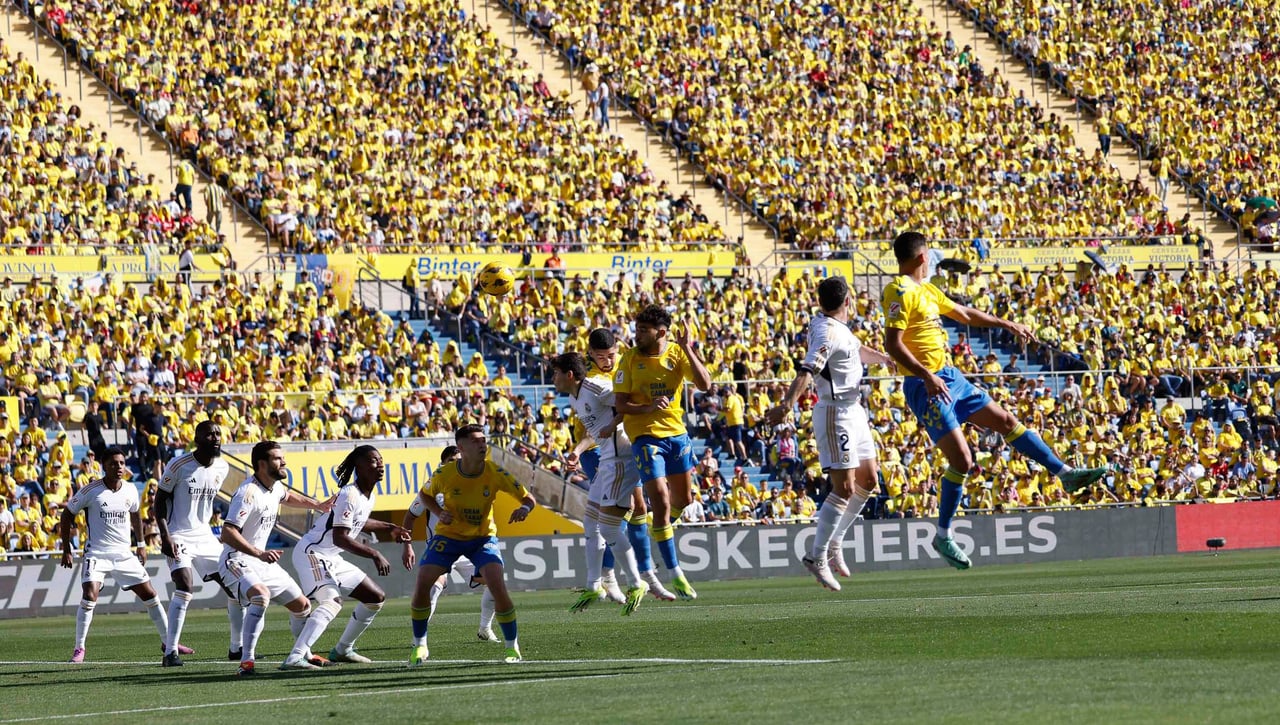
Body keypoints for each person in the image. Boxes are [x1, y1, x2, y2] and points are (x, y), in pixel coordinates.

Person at [881, 231, 1110, 569]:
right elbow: (892, 343)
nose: (930, 261)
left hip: (949, 377)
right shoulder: (898, 290)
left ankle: (1064, 473)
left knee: (1006, 421)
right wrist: (927, 378)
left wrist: (1008, 323)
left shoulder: (927, 291)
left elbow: (966, 314)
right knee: (963, 460)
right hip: (924, 383)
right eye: (929, 255)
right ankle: (943, 534)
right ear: (921, 258)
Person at [767, 276, 895, 590]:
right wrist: (786, 405)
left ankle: (835, 543)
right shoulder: (825, 331)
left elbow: (855, 350)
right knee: (845, 487)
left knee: (869, 481)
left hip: (855, 410)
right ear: (847, 301)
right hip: (835, 411)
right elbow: (808, 370)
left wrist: (884, 358)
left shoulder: (839, 328)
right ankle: (816, 556)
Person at [406, 425, 537, 666]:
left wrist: (524, 508)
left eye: (483, 440)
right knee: (423, 582)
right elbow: (424, 495)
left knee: (497, 585)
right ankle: (420, 645)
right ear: (462, 447)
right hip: (448, 537)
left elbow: (529, 498)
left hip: (482, 538)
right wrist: (438, 511)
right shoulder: (445, 473)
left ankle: (512, 647)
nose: (482, 444)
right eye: (475, 441)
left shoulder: (495, 472)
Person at [614, 305, 712, 599]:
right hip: (645, 437)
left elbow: (705, 384)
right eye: (637, 328)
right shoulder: (629, 359)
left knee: (682, 500)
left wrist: (688, 348)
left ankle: (655, 529)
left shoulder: (677, 354)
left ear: (661, 333)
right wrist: (645, 408)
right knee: (659, 496)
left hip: (677, 435)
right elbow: (620, 404)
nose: (637, 334)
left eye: (643, 330)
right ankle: (675, 572)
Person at [282, 445, 410, 670]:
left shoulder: (367, 495)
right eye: (372, 461)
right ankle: (295, 657)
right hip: (312, 552)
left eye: (380, 460)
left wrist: (390, 527)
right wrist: (374, 553)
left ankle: (342, 650)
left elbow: (358, 522)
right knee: (332, 601)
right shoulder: (349, 494)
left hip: (331, 556)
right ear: (358, 467)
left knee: (374, 598)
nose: (379, 465)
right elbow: (341, 537)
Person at [219, 441, 333, 675]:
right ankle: (247, 661)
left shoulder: (275, 486)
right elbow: (227, 533)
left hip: (261, 561)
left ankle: (304, 655)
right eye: (277, 458)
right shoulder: (247, 493)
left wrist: (318, 505)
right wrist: (259, 553)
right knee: (261, 596)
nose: (284, 462)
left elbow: (287, 496)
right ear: (262, 464)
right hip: (236, 560)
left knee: (303, 606)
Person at [581, 327, 674, 602]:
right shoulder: (595, 381)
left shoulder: (620, 368)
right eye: (601, 357)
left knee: (634, 509)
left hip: (622, 446)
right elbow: (619, 409)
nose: (607, 361)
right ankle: (635, 577)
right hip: (602, 450)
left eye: (611, 355)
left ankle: (616, 575)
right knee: (622, 512)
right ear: (591, 356)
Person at [553, 352, 648, 614]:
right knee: (590, 522)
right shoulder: (575, 396)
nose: (553, 378)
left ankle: (637, 583)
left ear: (569, 375)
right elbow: (595, 430)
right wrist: (578, 450)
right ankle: (594, 584)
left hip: (621, 459)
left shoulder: (598, 387)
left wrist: (615, 423)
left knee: (607, 528)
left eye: (556, 373)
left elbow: (627, 405)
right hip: (606, 459)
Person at [60, 448, 171, 663]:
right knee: (90, 594)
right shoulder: (90, 491)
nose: (119, 467)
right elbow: (66, 516)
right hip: (97, 552)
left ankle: (169, 642)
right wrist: (66, 549)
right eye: (114, 463)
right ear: (104, 466)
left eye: (121, 463)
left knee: (150, 594)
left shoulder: (130, 490)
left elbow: (136, 515)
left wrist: (140, 544)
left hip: (123, 554)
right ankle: (79, 648)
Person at [399, 445, 501, 643]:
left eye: (459, 460)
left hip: (468, 549)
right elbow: (410, 517)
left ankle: (485, 629)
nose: (457, 464)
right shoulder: (433, 487)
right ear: (442, 463)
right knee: (435, 586)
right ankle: (419, 637)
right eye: (451, 461)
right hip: (441, 549)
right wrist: (407, 545)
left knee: (495, 583)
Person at [155, 420, 233, 666]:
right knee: (185, 586)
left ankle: (237, 648)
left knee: (235, 586)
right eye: (210, 434)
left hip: (206, 536)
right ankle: (170, 653)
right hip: (178, 534)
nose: (216, 437)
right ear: (197, 439)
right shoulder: (179, 465)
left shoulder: (223, 466)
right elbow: (159, 502)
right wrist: (165, 535)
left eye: (218, 433)